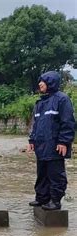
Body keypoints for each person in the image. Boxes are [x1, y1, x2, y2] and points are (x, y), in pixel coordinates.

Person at [27, 71, 75, 210]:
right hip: (41, 145)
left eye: (43, 81)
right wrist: (32, 140)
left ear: (51, 82)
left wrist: (63, 141)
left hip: (55, 145)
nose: (40, 84)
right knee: (42, 173)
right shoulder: (40, 102)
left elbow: (68, 122)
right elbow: (35, 124)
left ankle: (55, 200)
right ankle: (42, 198)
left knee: (55, 174)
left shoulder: (62, 99)